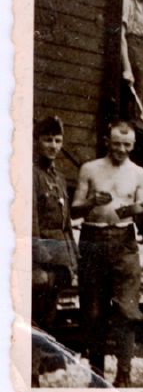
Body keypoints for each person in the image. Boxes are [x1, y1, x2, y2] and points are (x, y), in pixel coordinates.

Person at [71, 121, 143, 387]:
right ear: (107, 141)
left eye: (127, 145)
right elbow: (75, 210)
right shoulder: (90, 169)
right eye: (116, 143)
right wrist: (92, 202)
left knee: (127, 310)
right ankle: (96, 374)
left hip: (124, 242)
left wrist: (142, 212)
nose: (121, 149)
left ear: (133, 145)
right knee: (93, 312)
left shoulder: (140, 174)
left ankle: (124, 374)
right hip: (93, 239)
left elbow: (140, 218)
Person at [32, 117, 78, 336]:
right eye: (47, 140)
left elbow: (65, 222)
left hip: (58, 260)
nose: (53, 146)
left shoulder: (58, 177)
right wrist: (37, 266)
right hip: (42, 263)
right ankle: (30, 368)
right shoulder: (31, 174)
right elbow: (31, 221)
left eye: (58, 141)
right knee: (34, 317)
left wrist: (72, 258)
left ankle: (37, 367)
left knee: (48, 317)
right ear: (36, 140)